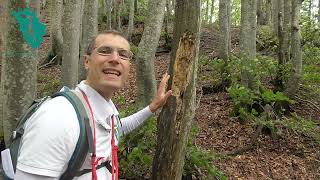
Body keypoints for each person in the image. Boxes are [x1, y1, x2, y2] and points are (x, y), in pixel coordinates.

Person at [14, 30, 172, 180]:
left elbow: (118, 128)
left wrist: (153, 106)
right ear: (87, 62)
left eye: (123, 54)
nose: (115, 59)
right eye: (105, 51)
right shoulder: (58, 116)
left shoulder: (103, 108)